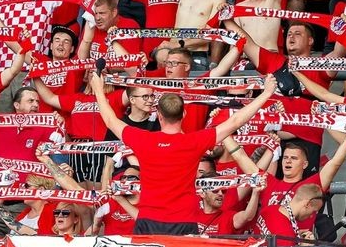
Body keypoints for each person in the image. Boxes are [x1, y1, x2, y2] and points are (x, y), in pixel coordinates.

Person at [91, 73, 277, 235]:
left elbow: (109, 119)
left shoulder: (143, 139)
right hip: (183, 220)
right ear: (184, 114)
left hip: (148, 219)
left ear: (159, 115)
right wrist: (266, 93)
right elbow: (235, 121)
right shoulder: (193, 141)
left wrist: (98, 89)